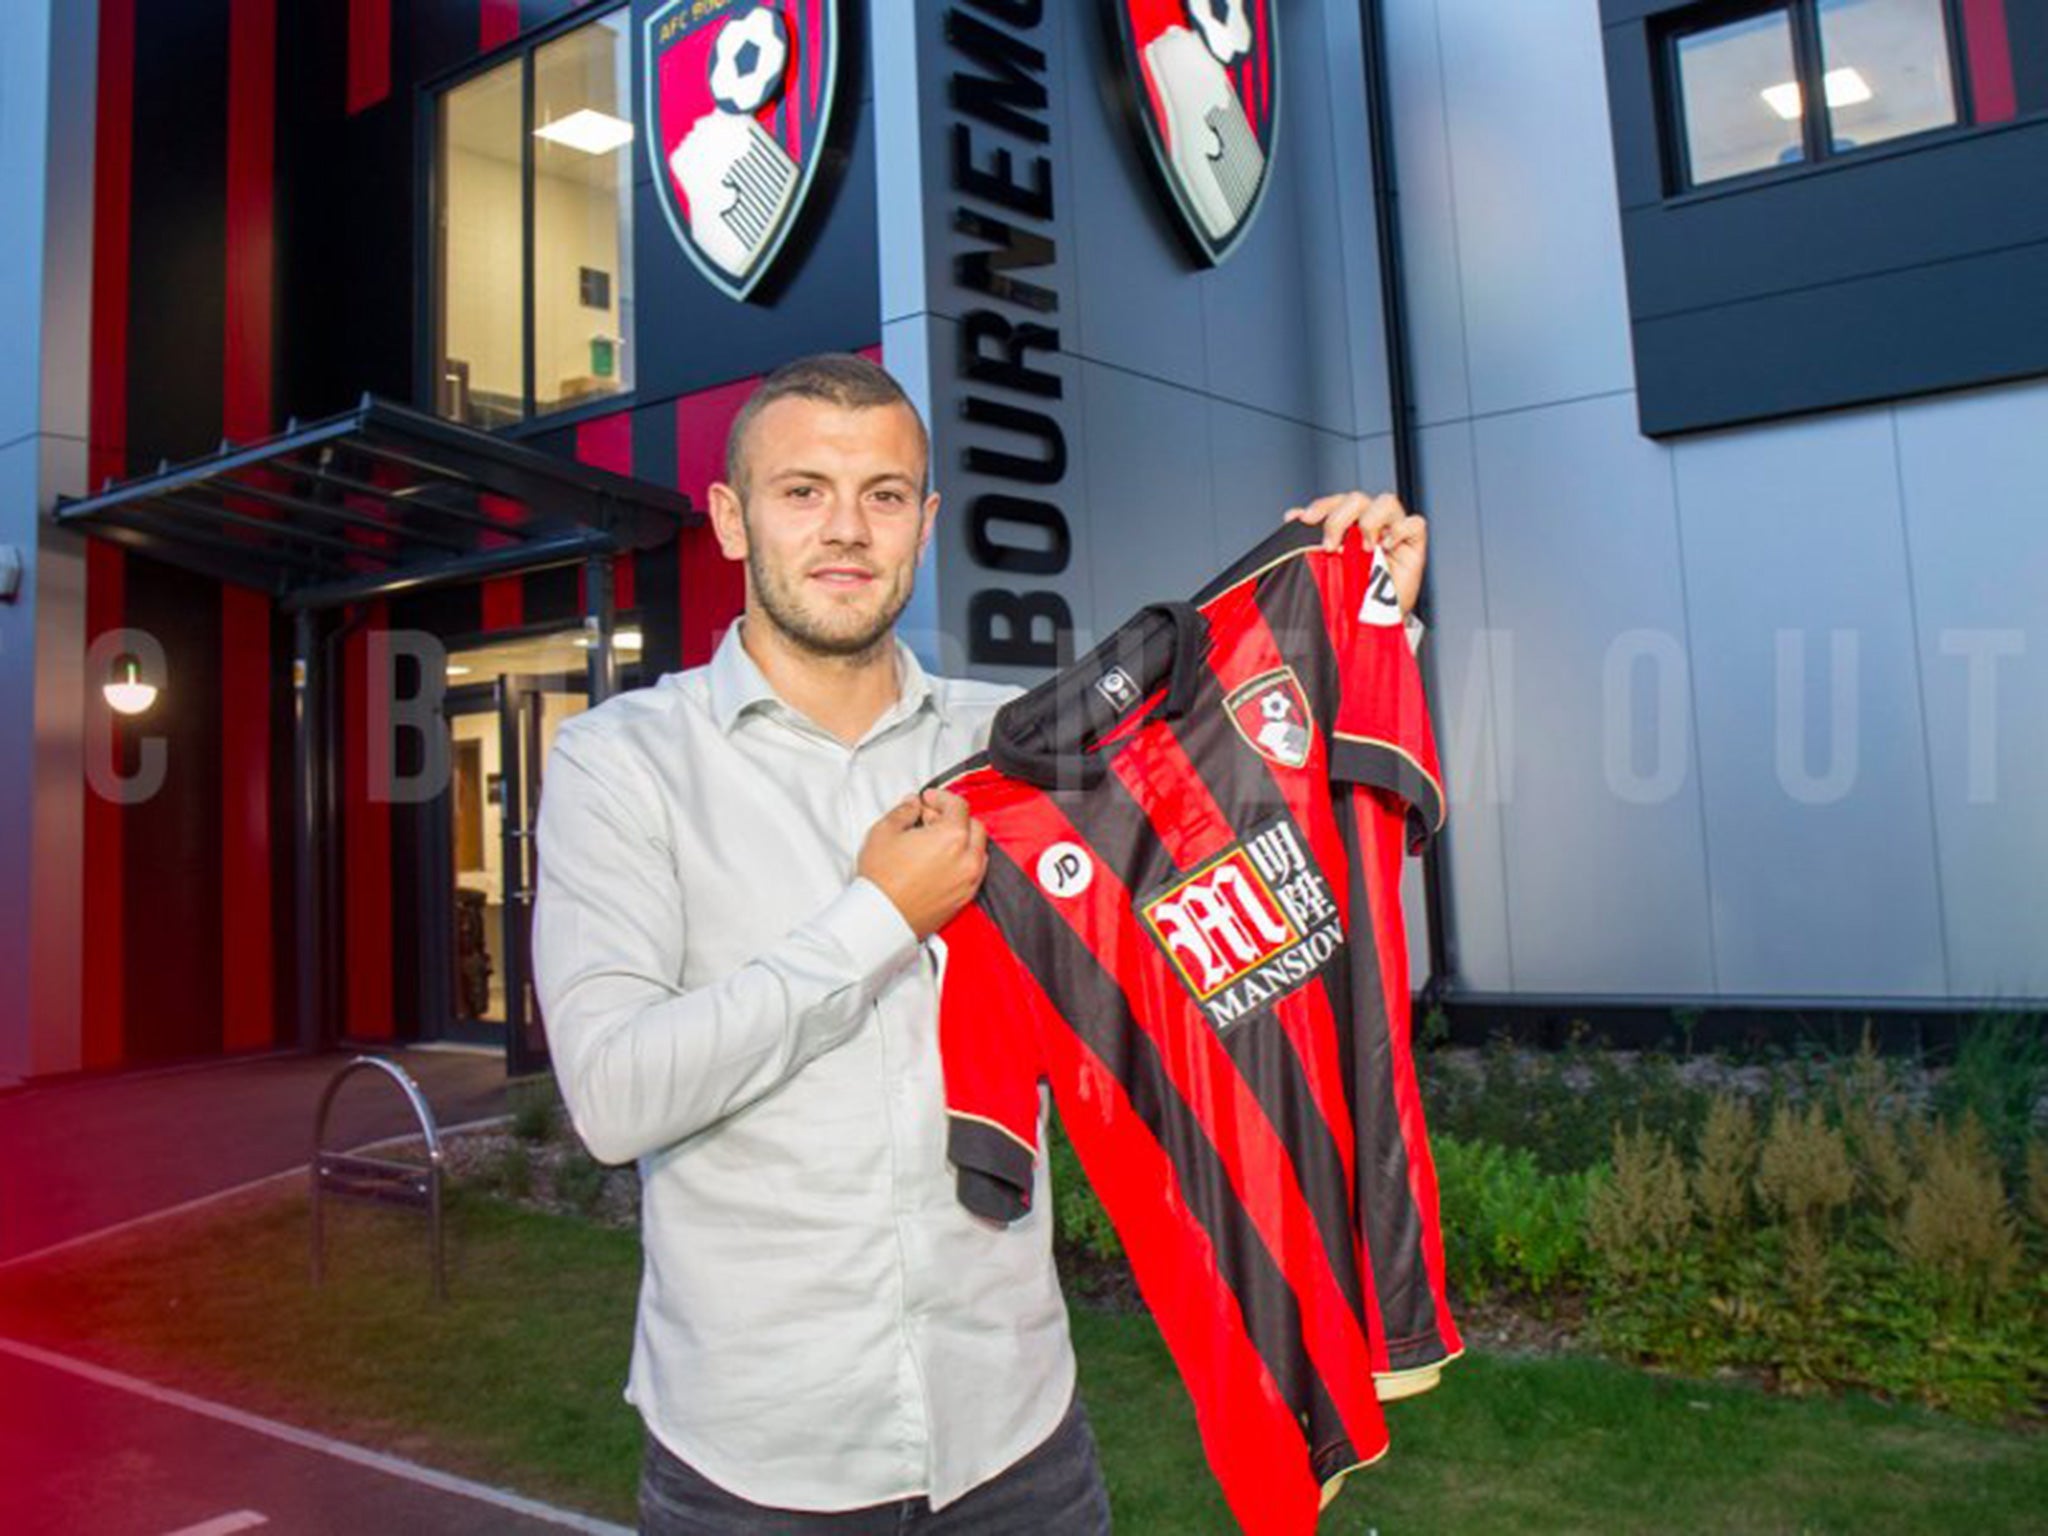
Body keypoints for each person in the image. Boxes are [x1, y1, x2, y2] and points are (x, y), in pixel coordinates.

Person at [531, 352, 1428, 1533]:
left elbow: (1256, 868)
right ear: (731, 521)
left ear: (925, 522)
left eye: (884, 495)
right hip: (753, 1466)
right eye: (802, 491)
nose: (845, 530)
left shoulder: (1023, 749)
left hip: (1018, 1446)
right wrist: (875, 921)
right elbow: (611, 1094)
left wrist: (1357, 632)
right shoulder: (620, 764)